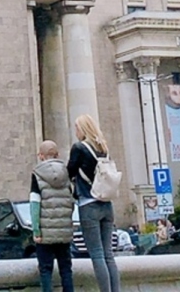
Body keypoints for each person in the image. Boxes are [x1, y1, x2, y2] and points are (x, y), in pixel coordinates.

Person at [68, 114, 121, 292]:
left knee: (97, 254)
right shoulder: (103, 148)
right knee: (108, 254)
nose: (75, 131)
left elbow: (69, 171)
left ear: (83, 129)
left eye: (77, 127)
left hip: (88, 204)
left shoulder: (79, 148)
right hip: (106, 204)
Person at [30, 139, 75, 292]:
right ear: (57, 155)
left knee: (45, 270)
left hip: (45, 233)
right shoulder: (66, 173)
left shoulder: (37, 174)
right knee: (66, 270)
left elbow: (34, 204)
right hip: (64, 231)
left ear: (41, 156)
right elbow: (71, 201)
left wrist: (36, 230)